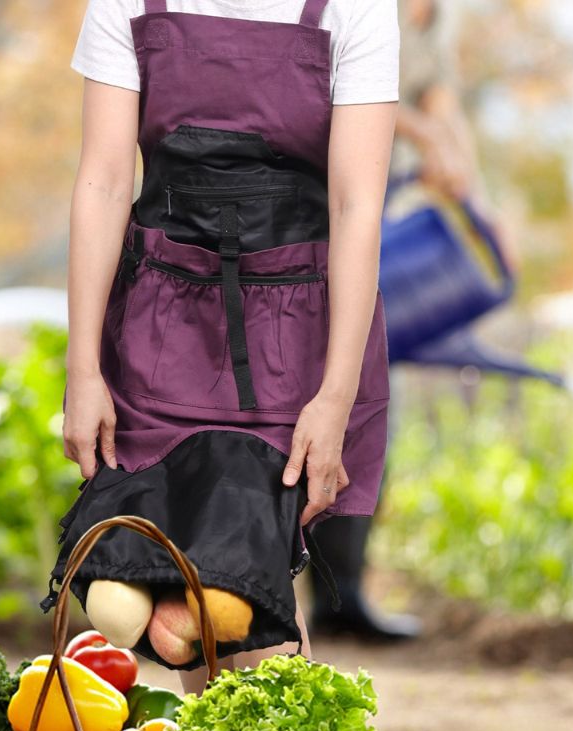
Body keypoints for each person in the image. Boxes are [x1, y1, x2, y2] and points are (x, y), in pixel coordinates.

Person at [46, 0, 399, 695]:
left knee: (250, 578)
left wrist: (337, 396)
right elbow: (104, 181)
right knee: (182, 584)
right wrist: (82, 369)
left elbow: (356, 206)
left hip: (293, 328)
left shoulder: (356, 7)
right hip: (159, 322)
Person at [308, 0, 516, 640]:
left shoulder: (434, 21)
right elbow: (333, 85)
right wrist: (427, 139)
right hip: (315, 205)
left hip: (374, 218)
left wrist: (478, 203)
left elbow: (443, 109)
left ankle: (341, 597)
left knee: (369, 403)